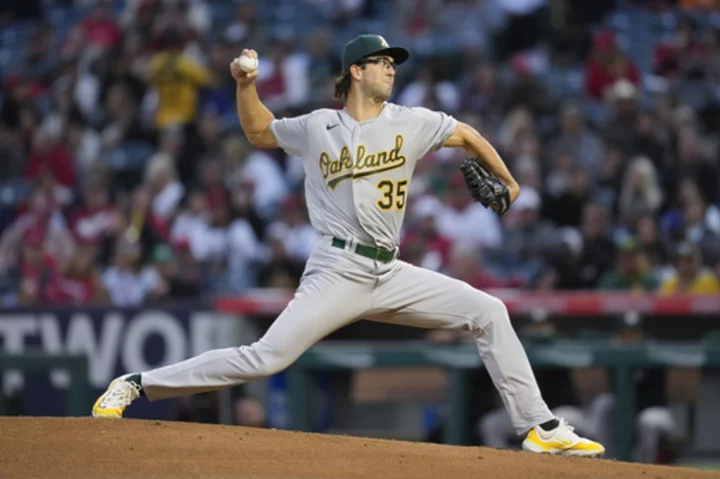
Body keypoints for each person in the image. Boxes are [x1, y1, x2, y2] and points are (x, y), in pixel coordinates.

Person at [91, 34, 604, 457]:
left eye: (392, 63)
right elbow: (259, 131)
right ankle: (139, 382)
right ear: (355, 71)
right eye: (382, 62)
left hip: (392, 271)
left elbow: (466, 134)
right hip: (336, 269)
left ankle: (539, 426)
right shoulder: (318, 126)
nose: (391, 70)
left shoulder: (412, 121)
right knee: (265, 358)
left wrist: (509, 181)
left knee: (489, 311)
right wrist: (246, 84)